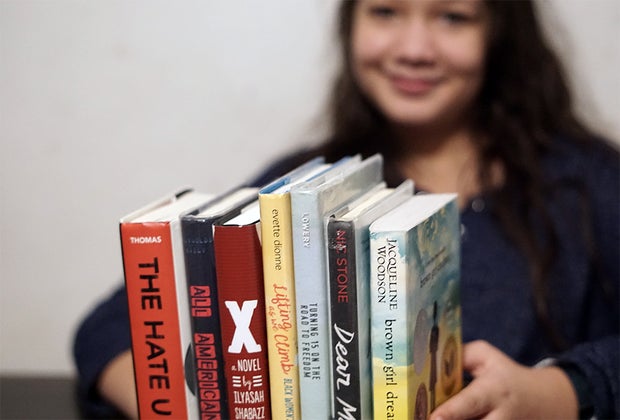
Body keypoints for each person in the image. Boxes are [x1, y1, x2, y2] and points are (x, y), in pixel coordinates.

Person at [73, 0, 619, 418]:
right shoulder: (306, 190)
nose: (413, 48)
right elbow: (112, 325)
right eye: (384, 10)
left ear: (500, 35)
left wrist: (562, 391)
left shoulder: (587, 185)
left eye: (453, 17)